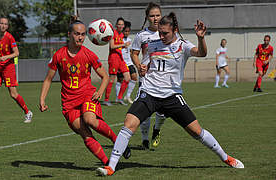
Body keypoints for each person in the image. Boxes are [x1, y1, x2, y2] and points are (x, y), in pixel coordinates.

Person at [96, 12, 244, 176]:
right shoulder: (152, 45)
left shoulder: (183, 45)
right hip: (149, 93)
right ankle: (111, 166)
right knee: (129, 124)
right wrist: (142, 69)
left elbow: (201, 53)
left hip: (172, 97)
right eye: (160, 32)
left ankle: (226, 157)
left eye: (165, 33)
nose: (162, 36)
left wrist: (201, 38)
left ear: (175, 30)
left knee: (196, 132)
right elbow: (143, 67)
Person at [39, 18, 130, 165]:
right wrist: (42, 99)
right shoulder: (59, 55)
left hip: (87, 95)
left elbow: (105, 76)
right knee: (84, 133)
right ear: (69, 34)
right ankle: (108, 164)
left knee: (90, 120)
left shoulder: (89, 54)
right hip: (69, 102)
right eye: (77, 34)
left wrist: (100, 91)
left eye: (83, 34)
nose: (80, 37)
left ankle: (117, 141)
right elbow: (48, 79)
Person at [0, 17, 32, 124]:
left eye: (5, 24)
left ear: (7, 26)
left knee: (13, 94)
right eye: (1, 23)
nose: (3, 25)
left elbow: (17, 53)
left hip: (8, 68)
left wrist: (6, 57)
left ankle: (28, 112)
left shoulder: (10, 38)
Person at [130, 2, 166, 150]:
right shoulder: (141, 35)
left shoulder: (167, 33)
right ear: (147, 17)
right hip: (146, 78)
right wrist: (139, 66)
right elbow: (134, 53)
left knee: (162, 112)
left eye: (158, 15)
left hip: (164, 77)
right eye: (152, 15)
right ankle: (145, 139)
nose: (155, 18)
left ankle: (156, 130)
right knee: (144, 111)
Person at [102, 17, 131, 106]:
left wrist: (125, 46)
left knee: (127, 78)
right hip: (113, 58)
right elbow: (112, 46)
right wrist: (123, 44)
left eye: (122, 24)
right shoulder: (112, 33)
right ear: (116, 25)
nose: (121, 26)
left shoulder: (121, 35)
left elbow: (119, 46)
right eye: (119, 24)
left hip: (120, 58)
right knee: (112, 79)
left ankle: (119, 98)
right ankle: (106, 100)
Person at [115, 21, 138, 104]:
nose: (127, 33)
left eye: (128, 31)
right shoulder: (118, 39)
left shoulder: (129, 40)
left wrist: (135, 62)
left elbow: (131, 52)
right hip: (120, 62)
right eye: (125, 31)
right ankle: (118, 97)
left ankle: (128, 96)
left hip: (129, 63)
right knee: (120, 80)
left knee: (134, 77)